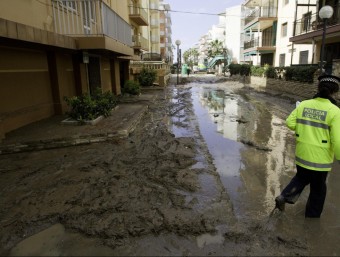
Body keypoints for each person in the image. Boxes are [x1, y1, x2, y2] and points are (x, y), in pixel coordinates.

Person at [275, 74, 340, 218]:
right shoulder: (335, 111)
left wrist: (304, 132)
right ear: (335, 91)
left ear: (318, 88)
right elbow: (337, 140)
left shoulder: (304, 104)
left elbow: (290, 123)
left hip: (302, 155)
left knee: (301, 178)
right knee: (318, 190)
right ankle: (311, 220)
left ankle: (284, 196)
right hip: (320, 159)